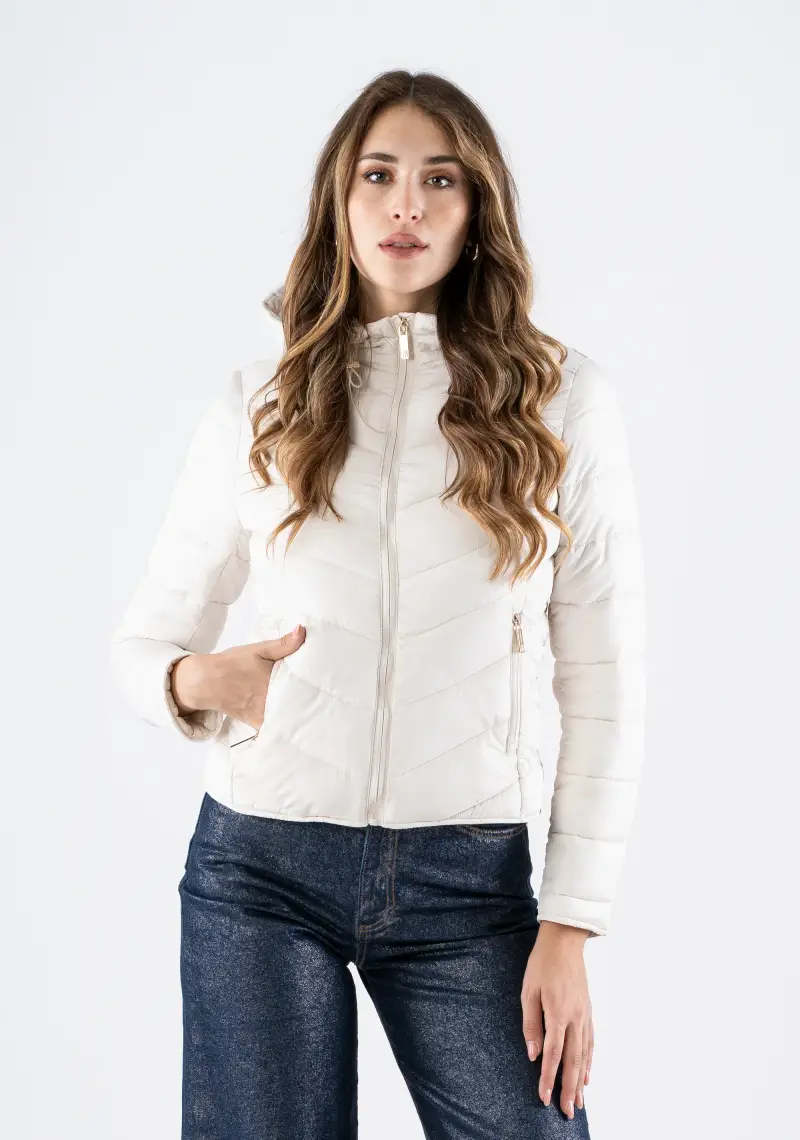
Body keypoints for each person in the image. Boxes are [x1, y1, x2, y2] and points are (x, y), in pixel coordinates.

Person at [110, 68, 646, 1139]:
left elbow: (605, 679)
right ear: (339, 201)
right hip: (259, 868)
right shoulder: (260, 403)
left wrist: (571, 926)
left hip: (468, 880)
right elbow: (144, 643)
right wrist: (198, 680)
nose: (406, 205)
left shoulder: (559, 402)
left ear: (477, 208)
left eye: (439, 179)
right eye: (378, 175)